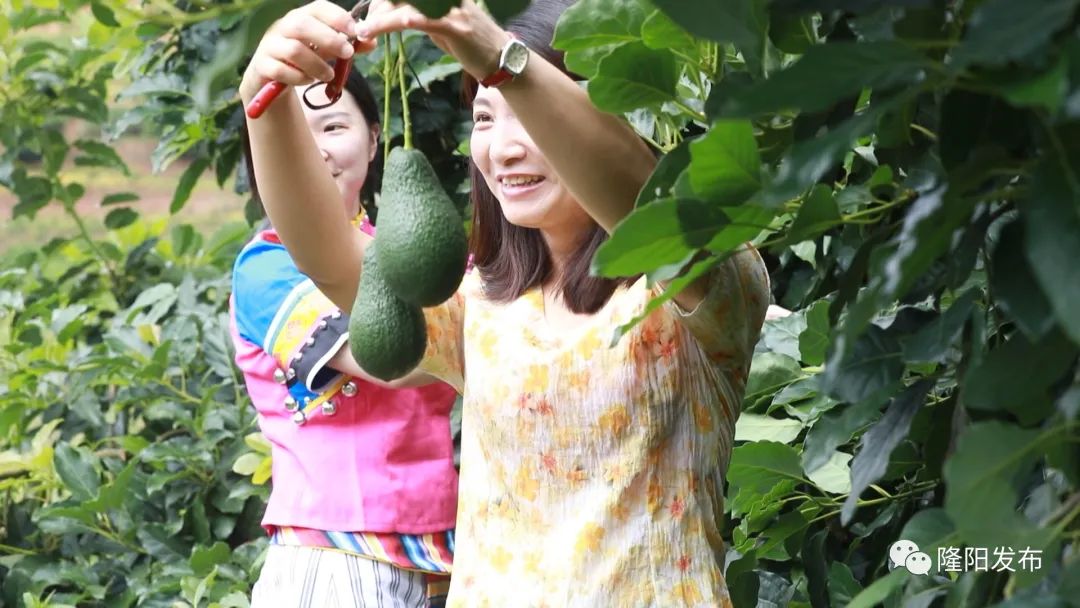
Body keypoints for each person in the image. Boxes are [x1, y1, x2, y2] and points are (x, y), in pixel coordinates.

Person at [239, 1, 771, 605]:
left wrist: (498, 57)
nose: (505, 148)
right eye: (487, 117)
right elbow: (332, 260)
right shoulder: (480, 309)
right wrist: (268, 97)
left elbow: (648, 209)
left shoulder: (695, 283)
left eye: (531, 118)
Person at [229, 69, 459, 607]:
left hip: (441, 556)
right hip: (334, 557)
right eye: (296, 136)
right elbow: (389, 360)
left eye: (333, 127)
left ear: (374, 138)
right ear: (265, 154)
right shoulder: (266, 267)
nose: (317, 152)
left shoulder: (423, 253)